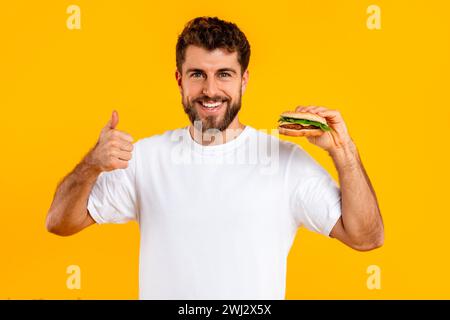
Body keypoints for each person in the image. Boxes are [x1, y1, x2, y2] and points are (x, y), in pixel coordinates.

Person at [46, 16, 384, 299]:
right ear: (180, 80)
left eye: (224, 74)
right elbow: (60, 223)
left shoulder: (286, 163)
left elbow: (366, 237)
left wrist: (343, 152)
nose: (210, 90)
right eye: (197, 74)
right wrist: (91, 164)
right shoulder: (145, 158)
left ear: (243, 80)